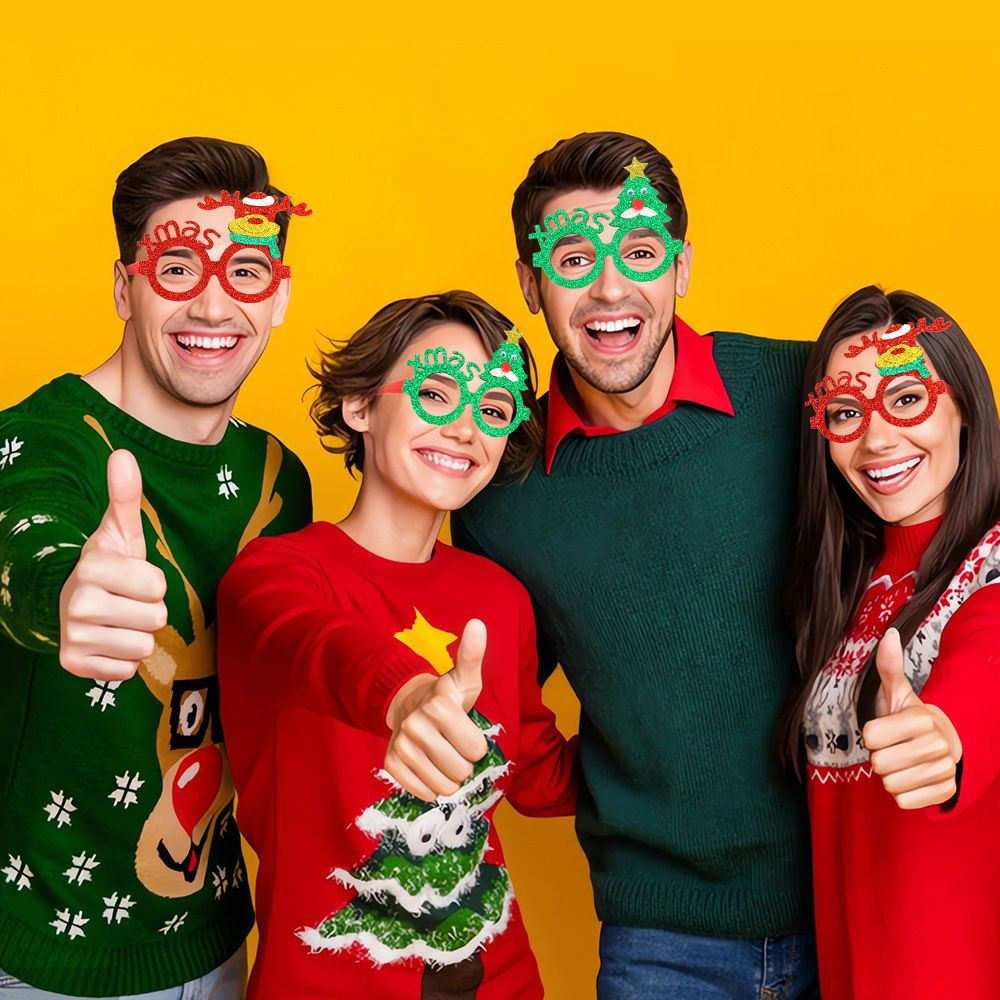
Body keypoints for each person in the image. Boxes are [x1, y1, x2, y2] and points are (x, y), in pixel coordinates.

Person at [449, 132, 820, 998]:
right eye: (573, 259)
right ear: (529, 283)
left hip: (850, 890)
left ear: (682, 267)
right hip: (659, 938)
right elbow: (496, 706)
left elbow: (942, 550)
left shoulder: (800, 390)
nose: (611, 289)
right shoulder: (500, 489)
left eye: (641, 253)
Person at [0, 137, 312, 998]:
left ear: (279, 297)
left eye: (246, 271)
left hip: (221, 943)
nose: (213, 303)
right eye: (177, 268)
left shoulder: (280, 479)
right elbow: (27, 544)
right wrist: (68, 594)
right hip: (47, 962)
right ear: (123, 287)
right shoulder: (39, 441)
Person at [216, 291, 577, 1000]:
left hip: (499, 981)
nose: (466, 429)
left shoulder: (502, 596)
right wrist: (405, 695)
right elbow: (315, 643)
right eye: (435, 393)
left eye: (494, 409)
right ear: (359, 406)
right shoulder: (273, 573)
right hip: (320, 983)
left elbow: (536, 771)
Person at [781, 285, 1000, 999]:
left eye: (907, 399)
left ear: (965, 407)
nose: (876, 439)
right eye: (846, 412)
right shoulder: (847, 586)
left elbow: (984, 672)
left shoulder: (991, 569)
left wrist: (944, 741)